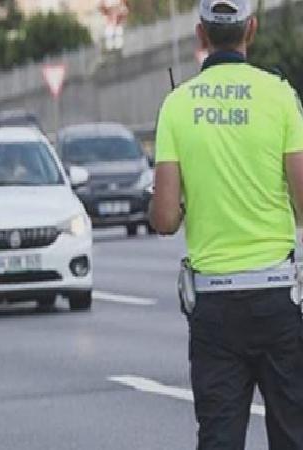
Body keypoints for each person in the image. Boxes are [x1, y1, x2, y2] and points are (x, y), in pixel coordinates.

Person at [150, 0, 303, 448]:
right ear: (250, 30)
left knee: (219, 437)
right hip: (277, 299)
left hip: (214, 306)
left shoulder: (177, 106)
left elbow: (163, 218)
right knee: (293, 433)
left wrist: (181, 206)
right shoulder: (280, 95)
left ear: (201, 34)